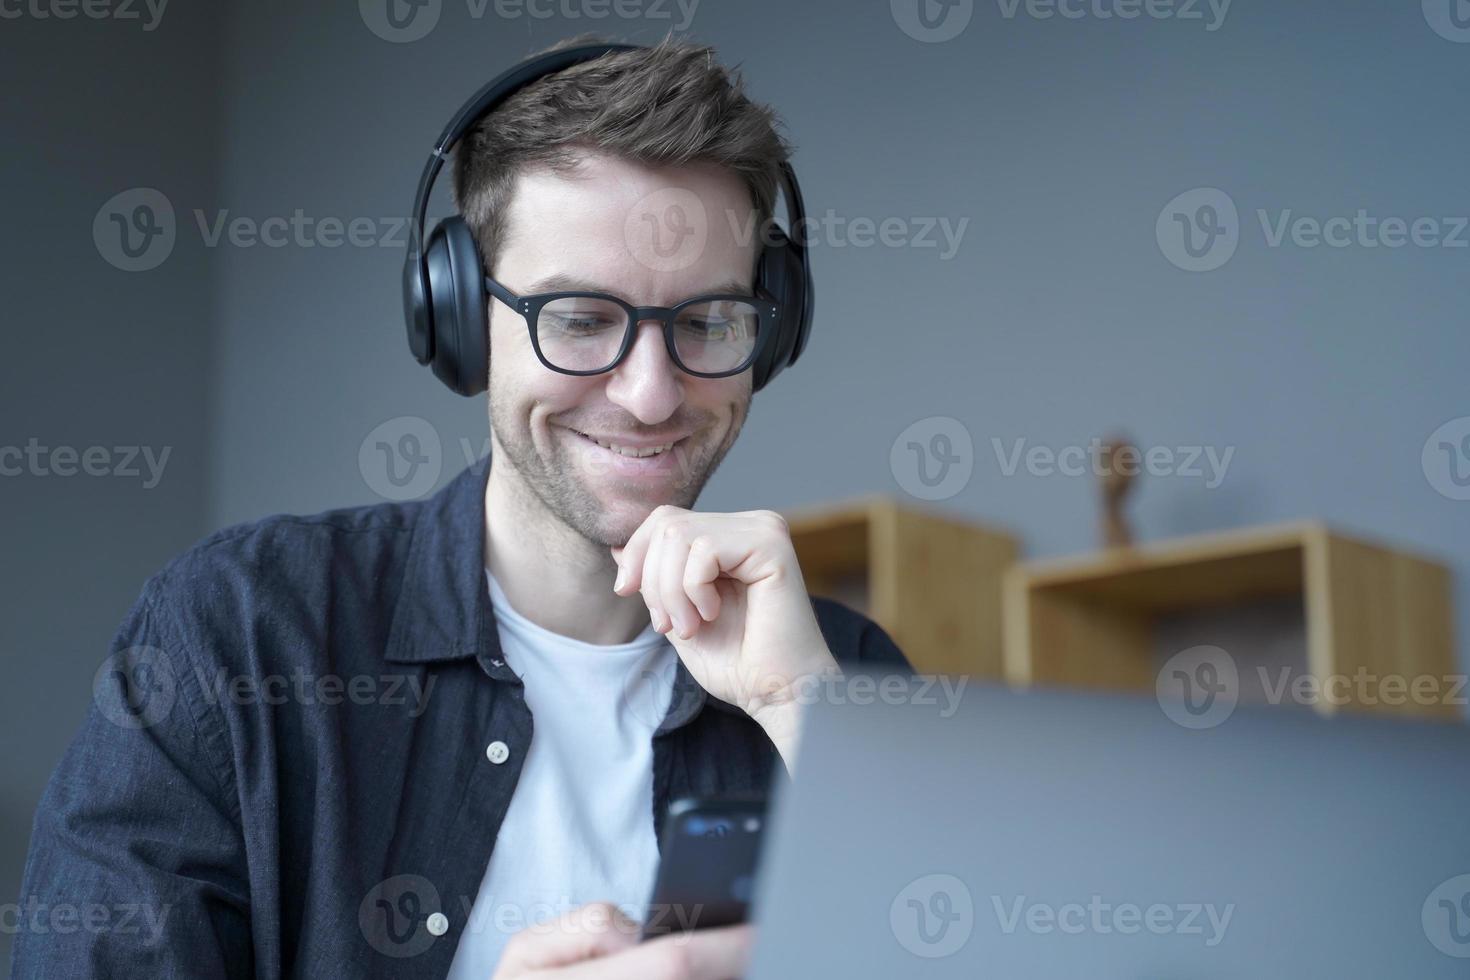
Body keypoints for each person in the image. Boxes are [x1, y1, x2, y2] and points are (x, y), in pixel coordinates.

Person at [12, 35, 910, 979]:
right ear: (456, 316)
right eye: (579, 319)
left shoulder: (843, 674)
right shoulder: (233, 637)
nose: (652, 394)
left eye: (706, 322)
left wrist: (807, 714)